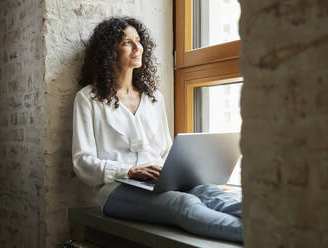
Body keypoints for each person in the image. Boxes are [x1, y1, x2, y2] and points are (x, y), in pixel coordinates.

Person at [72, 16, 243, 242]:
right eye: (127, 42)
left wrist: (180, 173)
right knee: (184, 203)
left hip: (159, 183)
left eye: (139, 40)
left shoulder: (154, 99)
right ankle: (262, 238)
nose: (137, 47)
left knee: (212, 194)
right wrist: (130, 171)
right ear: (108, 51)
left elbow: (165, 150)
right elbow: (82, 163)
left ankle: (284, 225)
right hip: (114, 192)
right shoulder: (88, 98)